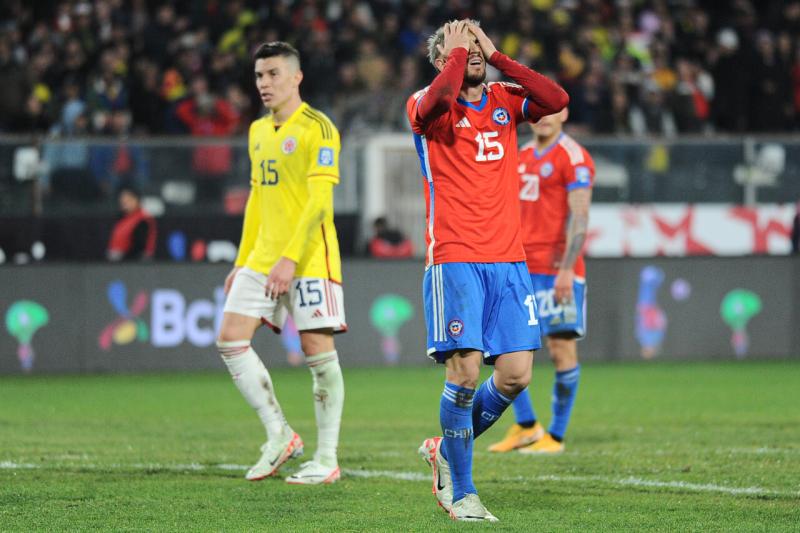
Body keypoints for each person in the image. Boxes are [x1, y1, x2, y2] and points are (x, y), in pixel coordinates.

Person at [407, 20, 568, 521]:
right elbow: (435, 104)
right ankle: (463, 493)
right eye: (462, 48)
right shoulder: (425, 102)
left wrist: (497, 55)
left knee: (517, 375)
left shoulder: (503, 97)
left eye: (476, 45)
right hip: (455, 255)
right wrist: (457, 55)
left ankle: (445, 448)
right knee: (466, 372)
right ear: (443, 60)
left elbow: (556, 98)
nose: (471, 52)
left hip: (509, 260)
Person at [216, 42, 346, 485]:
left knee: (317, 354)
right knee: (230, 340)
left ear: (296, 77)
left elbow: (319, 204)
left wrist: (290, 258)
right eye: (258, 76)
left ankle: (326, 458)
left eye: (273, 74)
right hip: (261, 255)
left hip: (308, 257)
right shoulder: (256, 131)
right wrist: (242, 258)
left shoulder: (319, 128)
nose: (264, 84)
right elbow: (256, 198)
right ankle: (280, 435)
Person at [488, 108, 594, 455]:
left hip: (558, 268)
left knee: (560, 349)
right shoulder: (519, 154)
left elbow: (580, 217)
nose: (545, 118)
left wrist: (566, 269)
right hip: (519, 265)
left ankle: (556, 437)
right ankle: (527, 425)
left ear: (565, 113)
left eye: (553, 111)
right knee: (509, 348)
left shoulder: (574, 157)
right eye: (539, 111)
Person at [106, 185, 157, 261]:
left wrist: (122, 257)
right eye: (123, 201)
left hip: (135, 264)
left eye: (128, 200)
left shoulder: (143, 220)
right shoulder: (123, 219)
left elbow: (139, 247)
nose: (124, 203)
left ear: (137, 200)